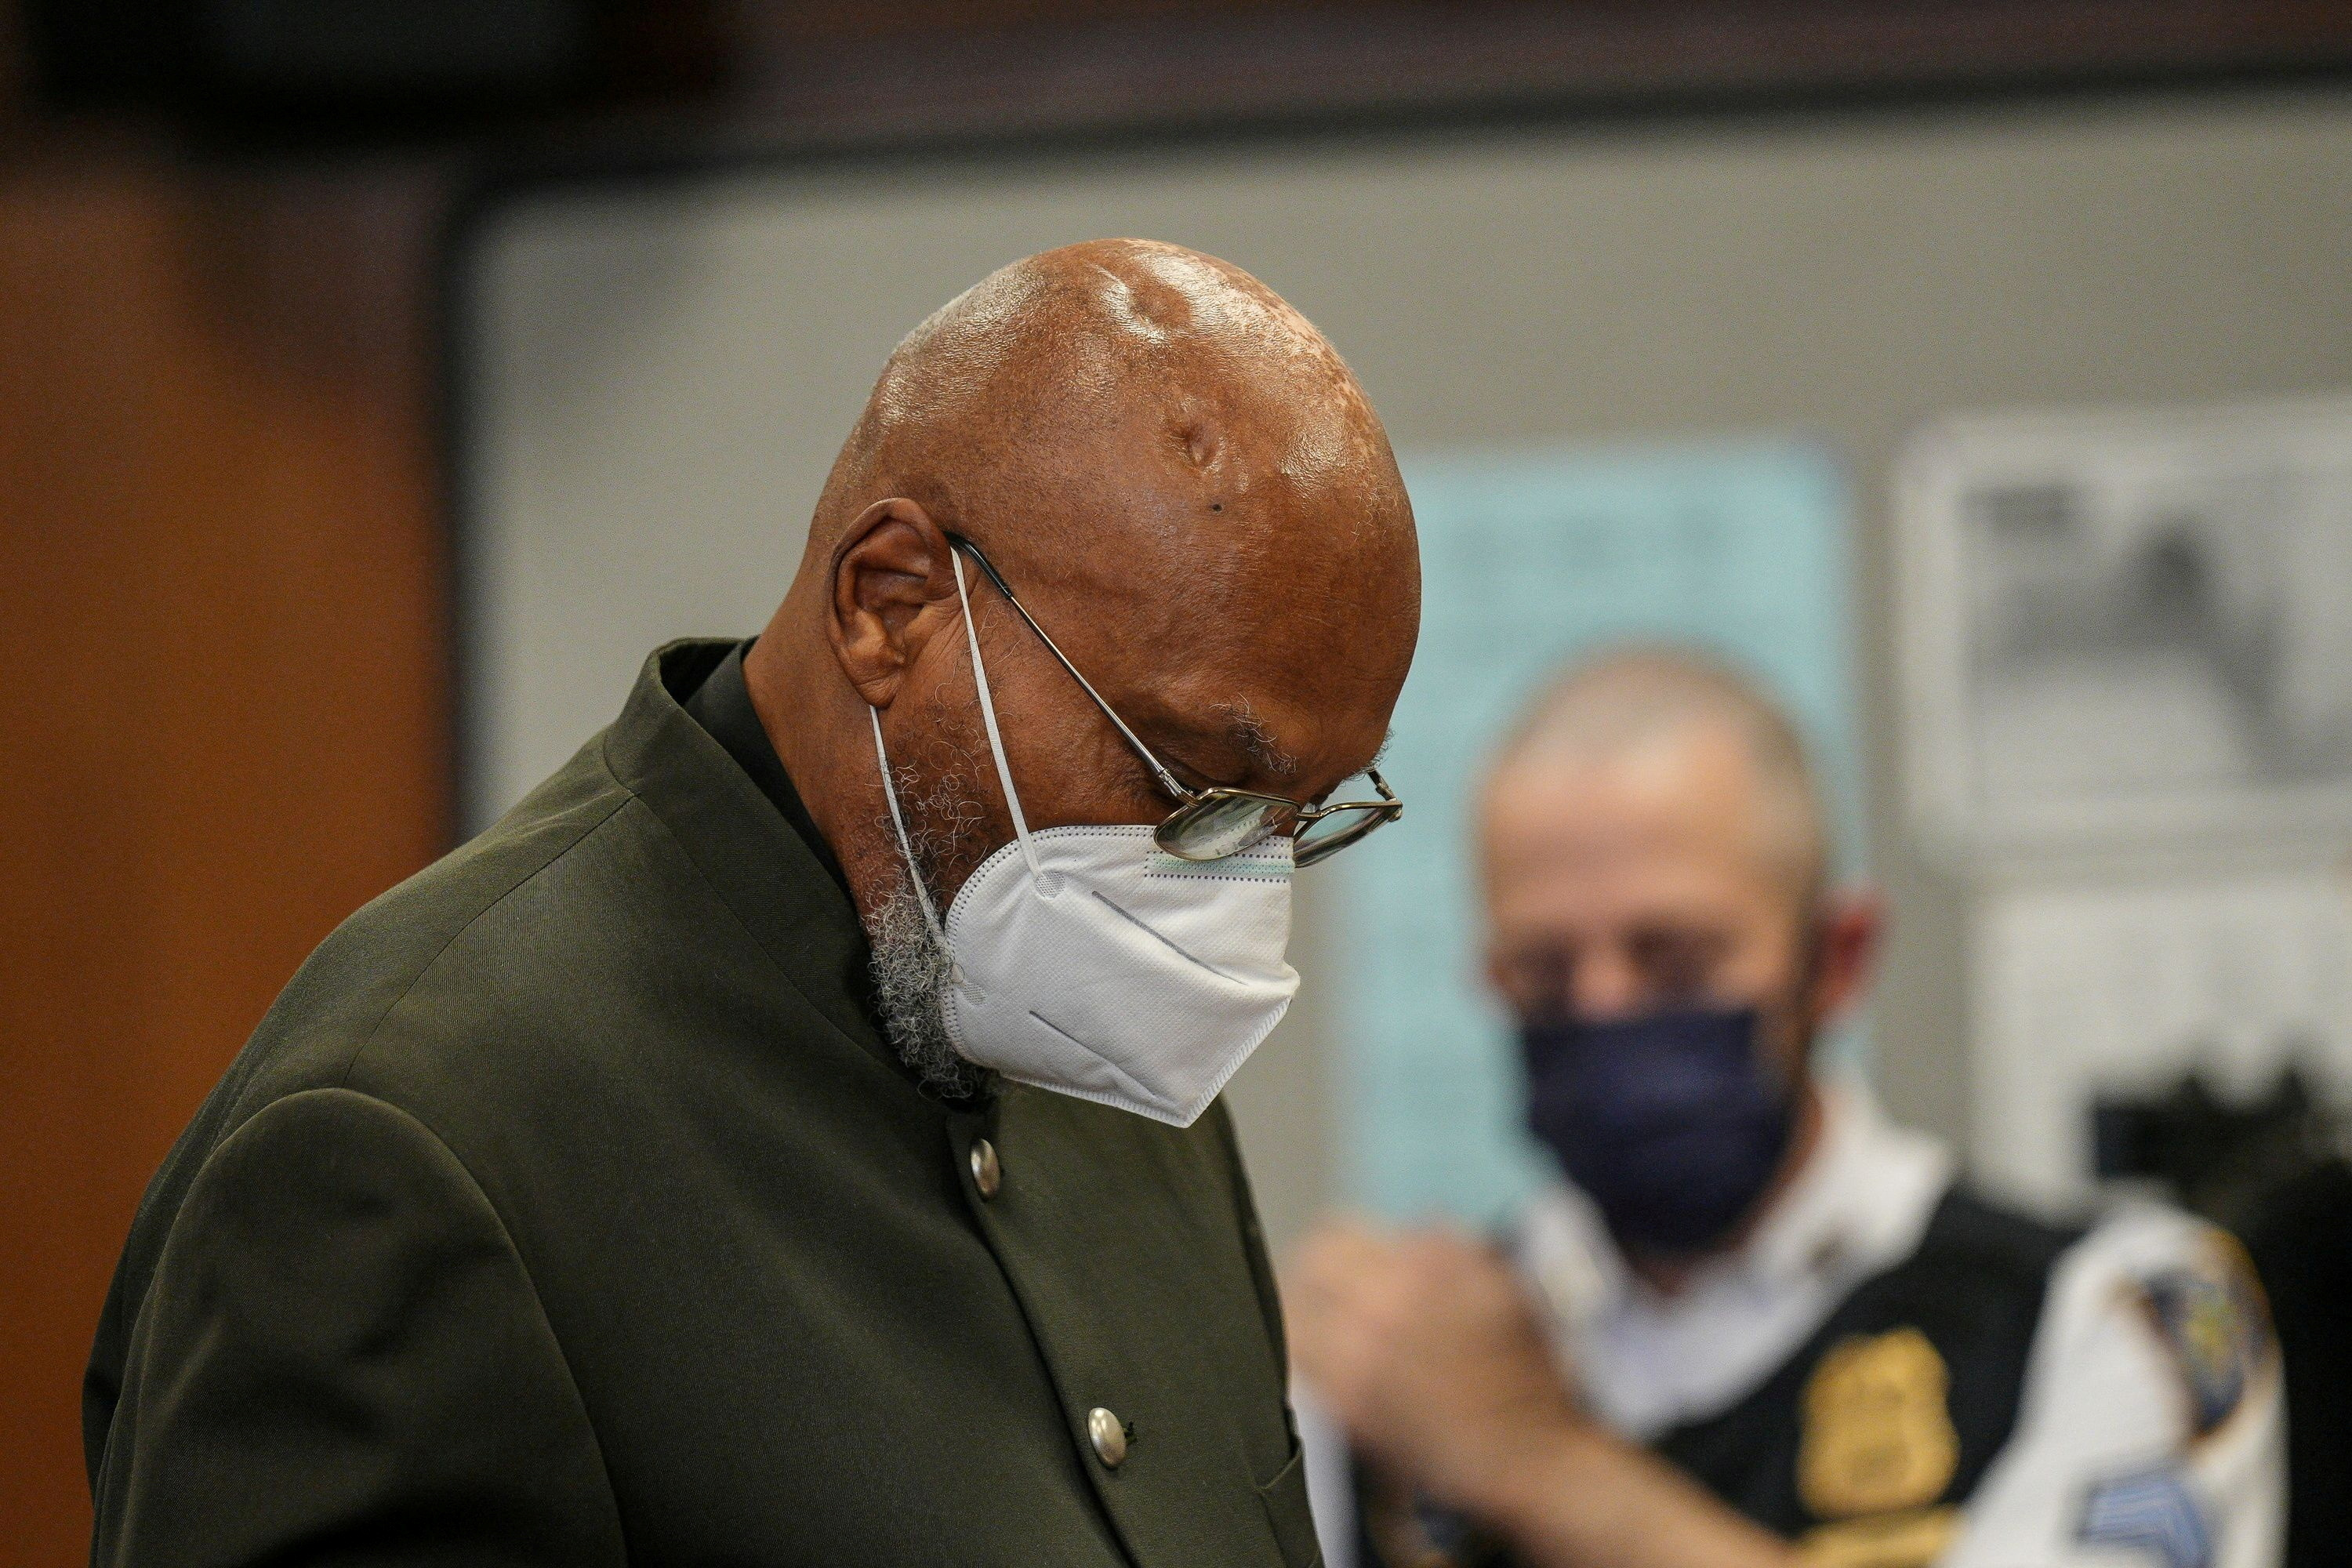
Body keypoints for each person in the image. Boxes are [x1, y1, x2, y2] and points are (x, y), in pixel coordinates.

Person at [84, 240, 1419, 1567]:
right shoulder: (404, 1146)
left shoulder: (1100, 1033)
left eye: (1308, 811)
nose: (1239, 879)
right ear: (890, 604)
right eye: (1200, 780)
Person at [1287, 650, 2281, 1568]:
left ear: (1837, 958)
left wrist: (1543, 1468)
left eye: (1675, 959)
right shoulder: (1409, 1362)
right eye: (1544, 973)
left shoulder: (2105, 1313)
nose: (1604, 1012)